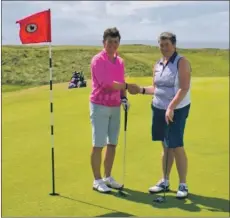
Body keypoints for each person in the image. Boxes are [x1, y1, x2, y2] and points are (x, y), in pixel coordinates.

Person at [128, 32, 191, 199]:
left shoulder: (181, 62)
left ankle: (183, 184)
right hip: (158, 108)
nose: (164, 48)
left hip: (177, 109)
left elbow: (184, 88)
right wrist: (141, 90)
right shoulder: (157, 64)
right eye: (161, 45)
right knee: (165, 145)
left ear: (174, 45)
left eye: (167, 45)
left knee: (176, 145)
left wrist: (171, 107)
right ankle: (165, 180)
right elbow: (156, 88)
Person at [89, 27, 135, 193]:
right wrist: (129, 87)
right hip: (100, 105)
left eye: (116, 42)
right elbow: (107, 84)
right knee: (98, 144)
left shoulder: (120, 61)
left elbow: (120, 82)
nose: (113, 45)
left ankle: (108, 177)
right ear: (104, 42)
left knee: (112, 143)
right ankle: (97, 180)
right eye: (110, 42)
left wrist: (124, 97)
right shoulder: (98, 60)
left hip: (115, 106)